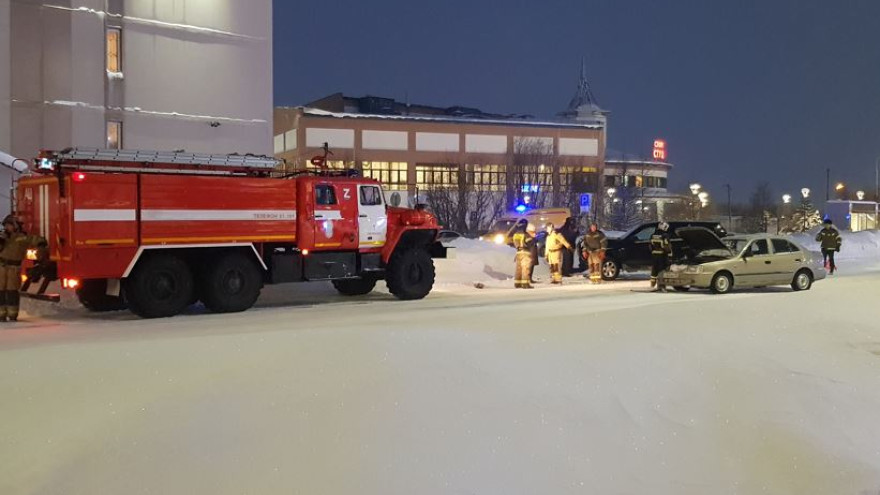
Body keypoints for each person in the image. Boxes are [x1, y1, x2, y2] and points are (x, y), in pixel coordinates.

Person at [0, 215, 47, 321]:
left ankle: (12, 314)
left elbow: (35, 239)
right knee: (0, 290)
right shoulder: (2, 237)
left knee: (12, 291)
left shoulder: (22, 237)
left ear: (15, 226)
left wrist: (41, 244)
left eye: (9, 225)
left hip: (14, 268)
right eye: (6, 225)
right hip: (1, 267)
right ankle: (1, 315)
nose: (7, 227)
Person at [649, 221, 673, 292]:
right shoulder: (665, 235)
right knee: (662, 271)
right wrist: (670, 255)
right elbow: (667, 246)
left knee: (654, 271)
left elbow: (650, 246)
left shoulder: (652, 235)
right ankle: (662, 286)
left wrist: (653, 252)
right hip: (662, 256)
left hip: (654, 256)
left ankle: (652, 285)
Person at [511, 222, 535, 289]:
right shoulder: (526, 235)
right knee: (525, 269)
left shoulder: (515, 235)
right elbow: (529, 243)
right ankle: (525, 284)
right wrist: (533, 240)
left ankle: (517, 283)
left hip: (518, 253)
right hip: (525, 253)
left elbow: (515, 243)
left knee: (518, 269)